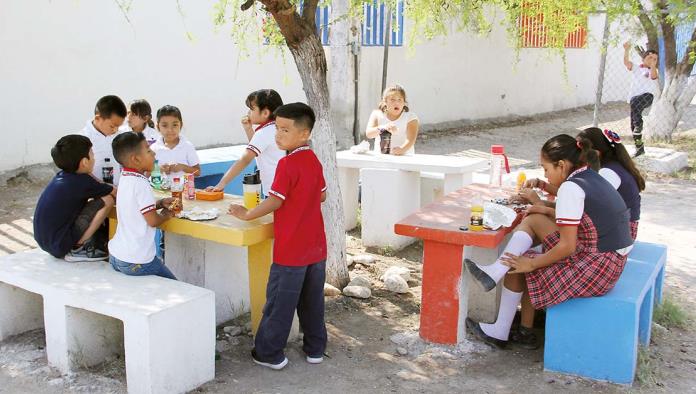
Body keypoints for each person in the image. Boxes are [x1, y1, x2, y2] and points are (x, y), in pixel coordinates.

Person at [465, 134, 633, 350]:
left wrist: (532, 263)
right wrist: (542, 199)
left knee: (521, 259)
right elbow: (577, 218)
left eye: (546, 169)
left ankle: (499, 324)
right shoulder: (590, 176)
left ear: (561, 165)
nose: (545, 174)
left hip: (596, 267)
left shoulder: (571, 188)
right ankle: (504, 299)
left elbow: (567, 246)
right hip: (610, 260)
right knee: (530, 233)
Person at [229, 102, 327, 370]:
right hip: (316, 247)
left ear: (304, 134)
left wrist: (246, 214)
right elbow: (322, 195)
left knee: (279, 303)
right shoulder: (313, 160)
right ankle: (315, 349)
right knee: (312, 301)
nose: (278, 135)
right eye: (277, 129)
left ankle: (269, 353)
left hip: (291, 249)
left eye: (285, 130)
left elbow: (274, 201)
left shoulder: (287, 164)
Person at [33, 135, 116, 262]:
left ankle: (76, 243)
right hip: (60, 244)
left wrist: (88, 172)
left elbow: (100, 185)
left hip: (47, 242)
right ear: (84, 162)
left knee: (97, 199)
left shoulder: (64, 176)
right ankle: (77, 247)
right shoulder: (82, 182)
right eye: (92, 154)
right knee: (107, 200)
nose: (94, 158)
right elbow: (115, 192)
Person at [108, 132, 177, 279]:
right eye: (148, 150)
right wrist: (167, 214)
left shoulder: (126, 178)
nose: (153, 153)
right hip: (137, 261)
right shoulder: (141, 183)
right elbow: (152, 221)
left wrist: (159, 204)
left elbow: (134, 208)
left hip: (116, 255)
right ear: (136, 159)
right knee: (176, 286)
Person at [207, 89, 284, 196]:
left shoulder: (263, 133)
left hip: (274, 191)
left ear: (265, 113)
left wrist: (221, 184)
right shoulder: (279, 129)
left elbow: (245, 159)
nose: (248, 112)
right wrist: (248, 129)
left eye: (251, 109)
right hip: (286, 188)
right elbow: (260, 149)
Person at [577, 127, 645, 240]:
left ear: (596, 153)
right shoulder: (615, 165)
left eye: (579, 150)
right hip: (620, 229)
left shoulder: (608, 173)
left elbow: (587, 205)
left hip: (619, 236)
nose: (576, 156)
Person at [81, 95, 127, 185]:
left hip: (118, 190)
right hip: (93, 192)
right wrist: (104, 188)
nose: (115, 130)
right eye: (112, 126)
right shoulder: (82, 139)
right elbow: (81, 172)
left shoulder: (120, 136)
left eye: (118, 126)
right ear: (98, 118)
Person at [623, 42, 659, 157]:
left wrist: (653, 65)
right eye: (650, 58)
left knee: (635, 104)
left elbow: (653, 76)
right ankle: (639, 147)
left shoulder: (653, 70)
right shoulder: (637, 68)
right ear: (644, 58)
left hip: (647, 96)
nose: (652, 60)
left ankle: (639, 124)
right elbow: (626, 63)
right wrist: (626, 50)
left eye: (655, 59)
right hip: (635, 100)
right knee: (633, 126)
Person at [365, 84, 419, 155]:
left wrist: (401, 149)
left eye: (400, 99)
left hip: (404, 157)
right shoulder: (377, 114)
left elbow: (411, 140)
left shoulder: (411, 117)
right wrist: (383, 128)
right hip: (381, 157)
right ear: (385, 102)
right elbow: (369, 134)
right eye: (392, 100)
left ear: (404, 103)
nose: (396, 103)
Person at [150, 105, 200, 181]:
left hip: (183, 191)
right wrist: (159, 169)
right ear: (158, 127)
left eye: (175, 125)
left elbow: (197, 172)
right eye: (165, 125)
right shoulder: (153, 148)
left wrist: (182, 167)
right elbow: (146, 173)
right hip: (160, 191)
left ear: (181, 125)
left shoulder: (187, 146)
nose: (170, 130)